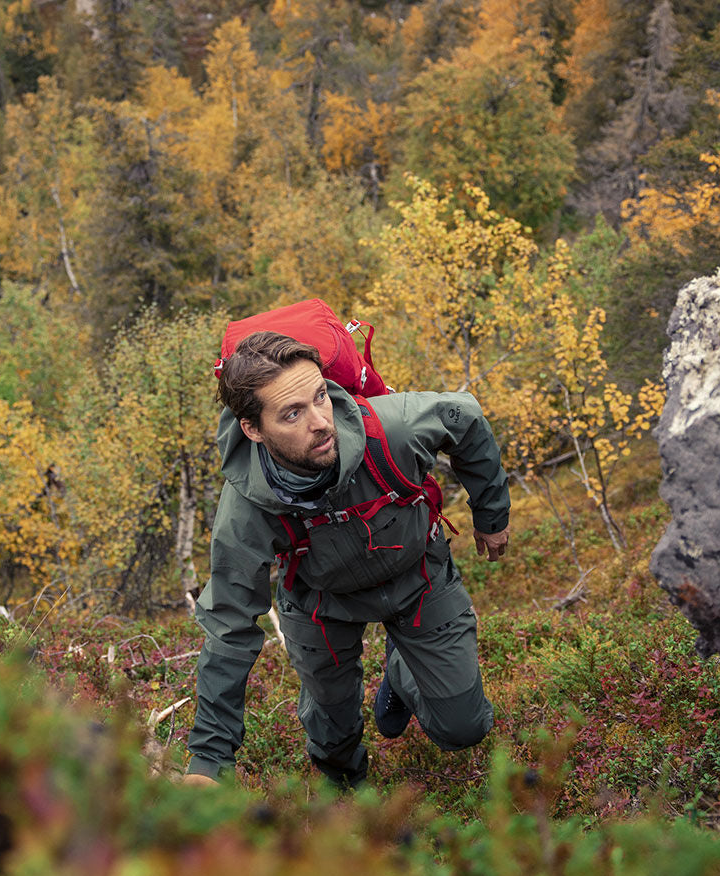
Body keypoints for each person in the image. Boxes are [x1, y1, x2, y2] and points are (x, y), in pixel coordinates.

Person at [183, 331, 510, 788]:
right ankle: (350, 800)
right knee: (332, 739)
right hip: (321, 603)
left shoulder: (392, 428)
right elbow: (228, 627)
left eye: (320, 396)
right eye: (292, 413)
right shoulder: (246, 508)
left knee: (464, 728)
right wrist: (209, 761)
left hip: (417, 576)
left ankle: (401, 670)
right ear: (253, 429)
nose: (321, 422)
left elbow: (466, 416)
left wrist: (491, 513)